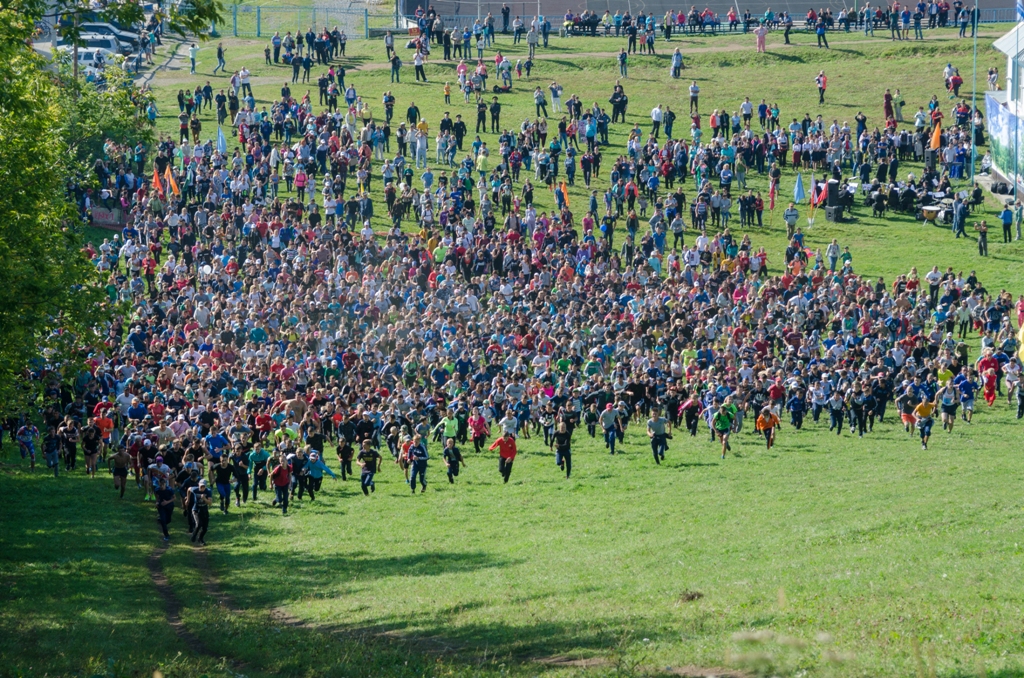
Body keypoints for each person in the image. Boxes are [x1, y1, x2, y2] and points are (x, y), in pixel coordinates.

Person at [188, 479, 212, 545]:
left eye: (203, 486)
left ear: (205, 486)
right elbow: (189, 489)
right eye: (201, 486)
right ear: (198, 485)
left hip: (204, 510)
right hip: (196, 510)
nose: (202, 488)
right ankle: (194, 535)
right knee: (198, 524)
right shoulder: (195, 489)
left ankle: (200, 538)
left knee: (205, 528)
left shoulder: (208, 491)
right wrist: (188, 499)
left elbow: (210, 503)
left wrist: (204, 499)